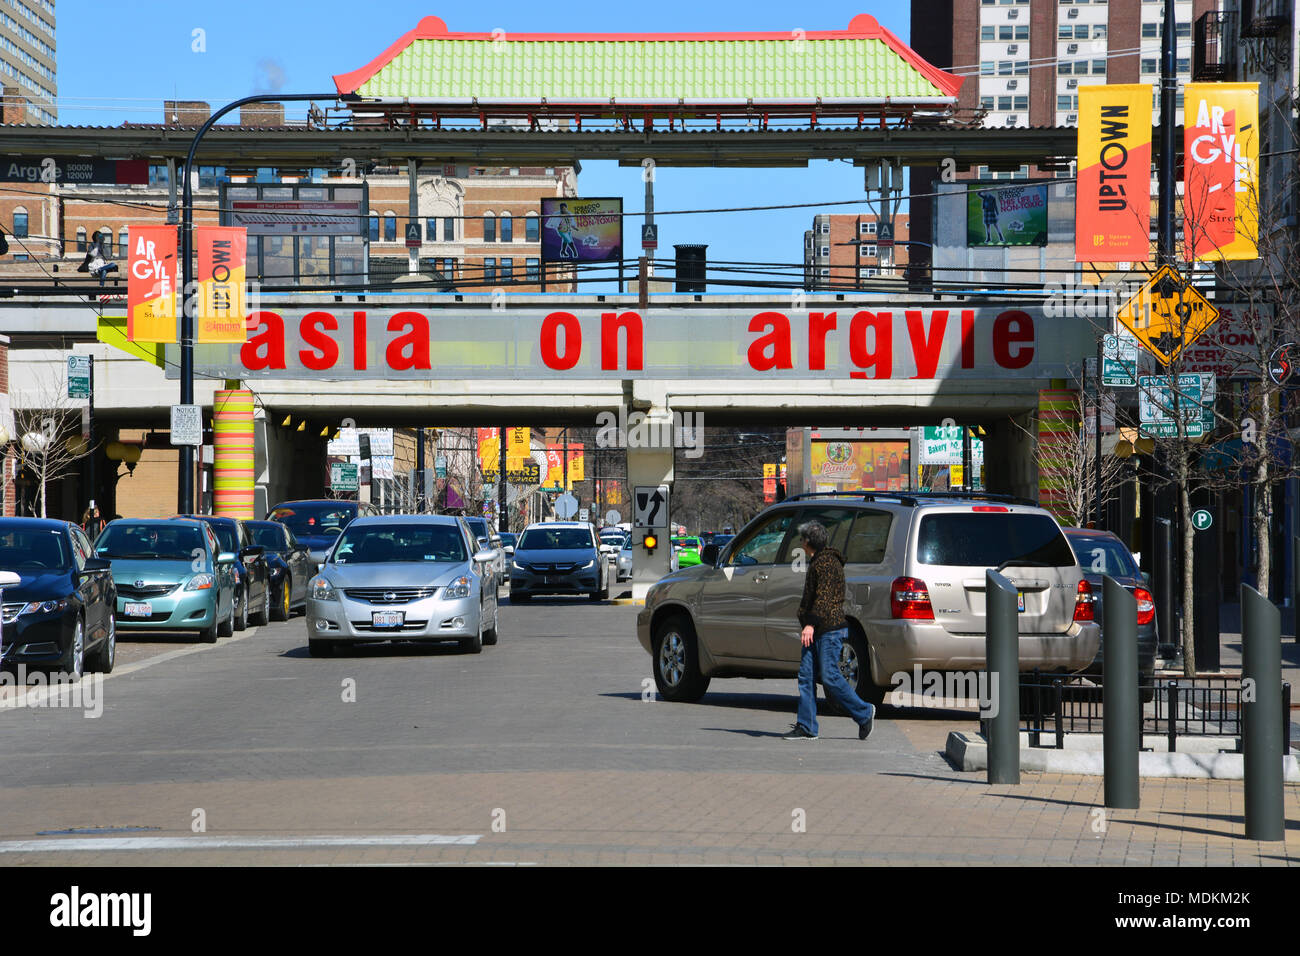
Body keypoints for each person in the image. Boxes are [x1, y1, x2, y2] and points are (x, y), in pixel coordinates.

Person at [784, 520, 875, 741]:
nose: (800, 542)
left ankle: (864, 712)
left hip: (828, 630)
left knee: (830, 677)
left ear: (808, 541)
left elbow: (823, 600)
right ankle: (806, 727)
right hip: (818, 630)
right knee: (806, 676)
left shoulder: (825, 564)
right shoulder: (820, 561)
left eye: (802, 539)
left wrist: (809, 624)